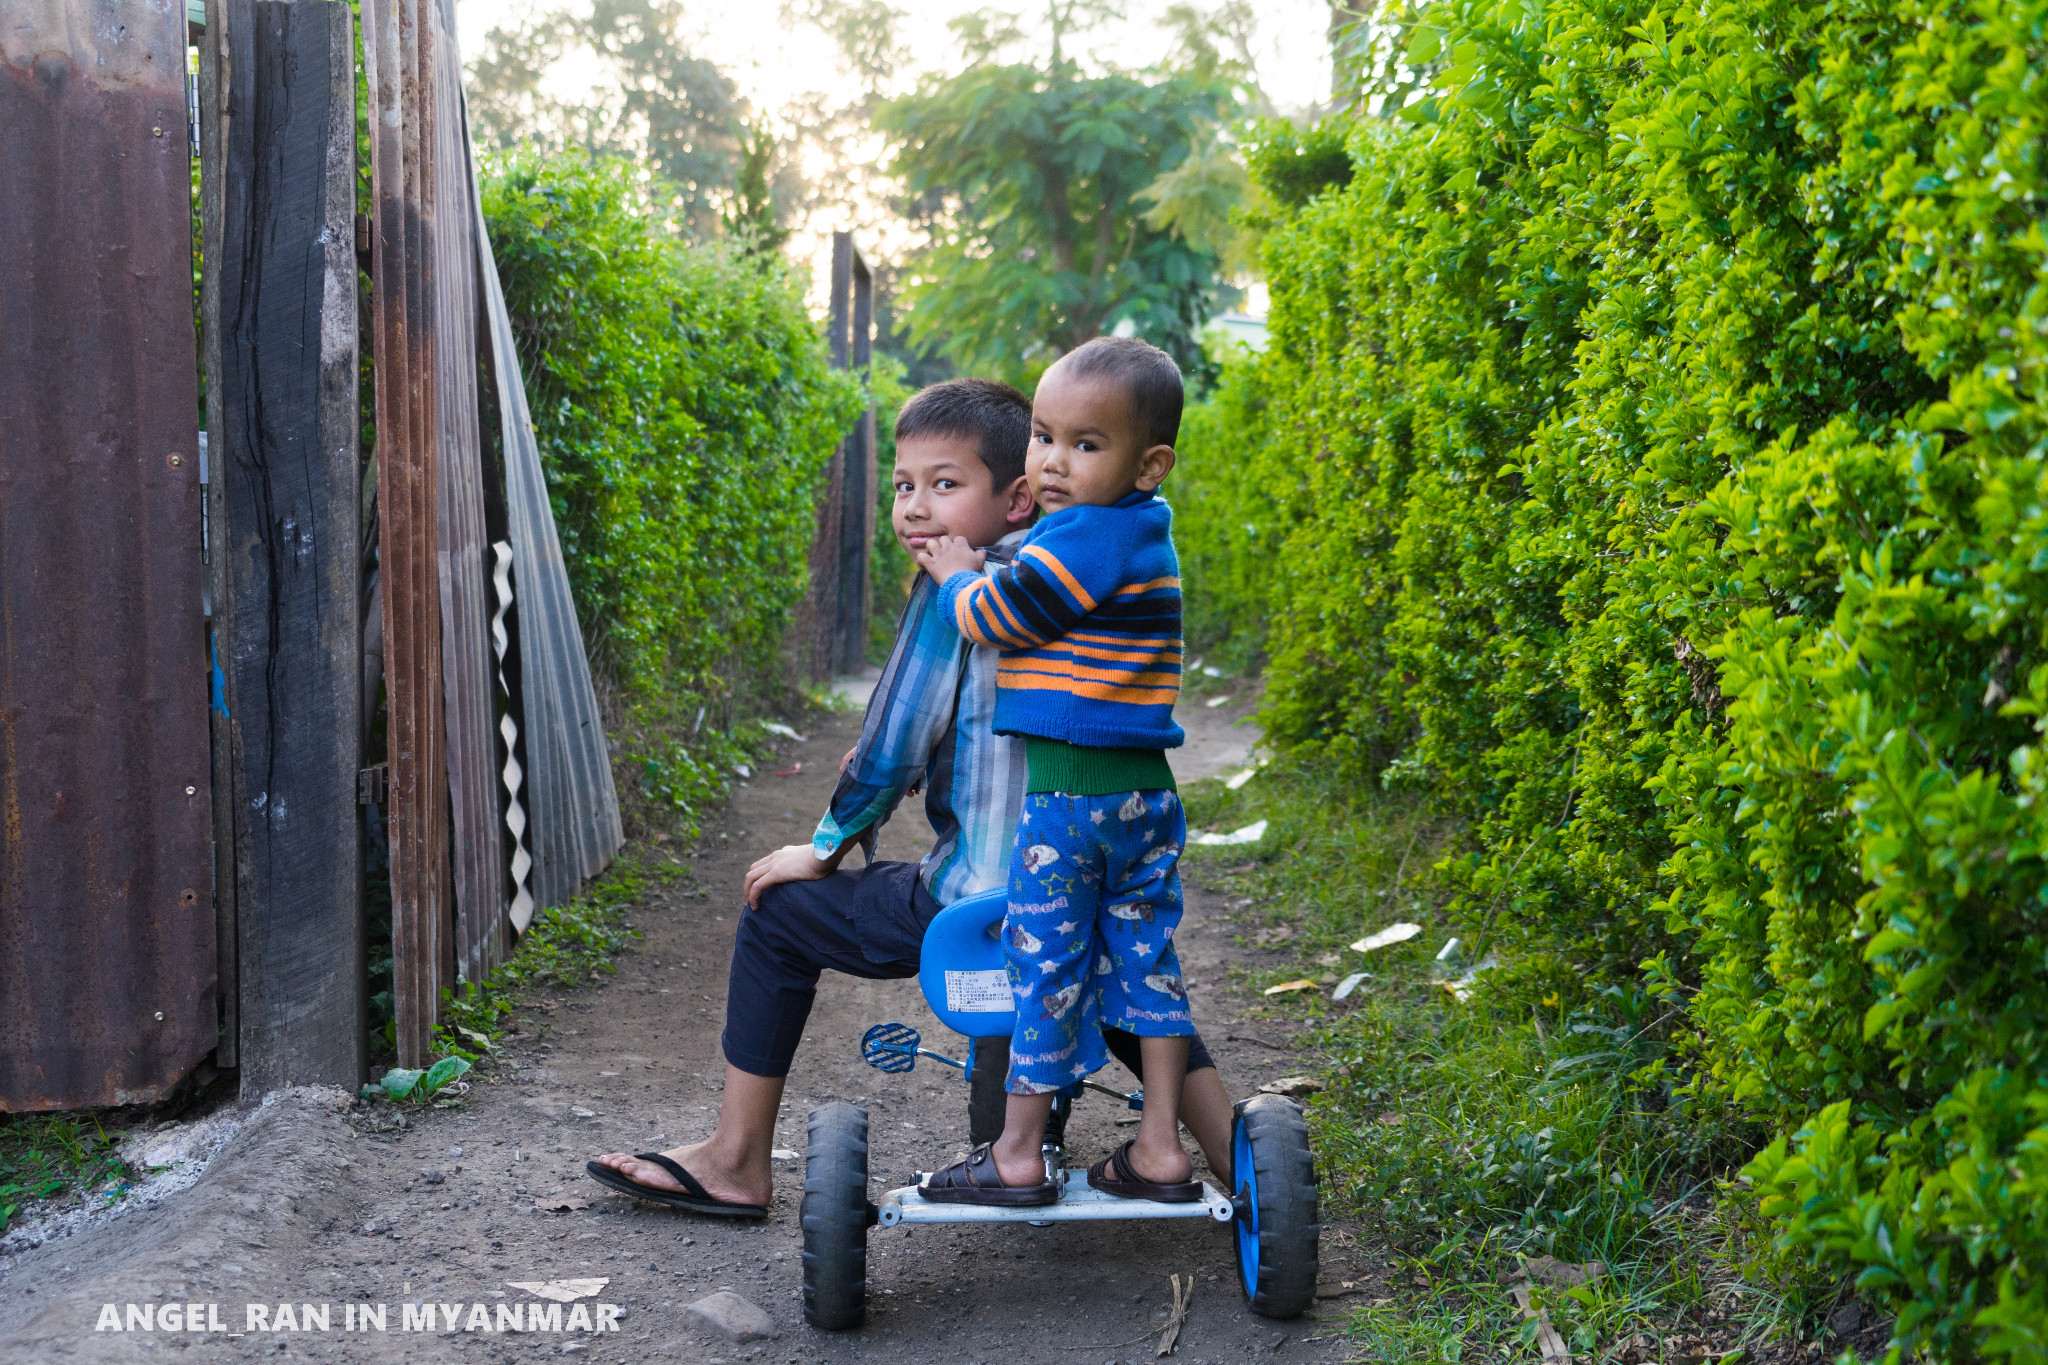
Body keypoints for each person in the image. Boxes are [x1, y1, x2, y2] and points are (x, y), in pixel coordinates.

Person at [586, 377, 1232, 1218]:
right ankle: (1237, 1162)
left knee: (778, 914)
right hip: (1101, 862)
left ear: (1018, 496)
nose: (917, 509)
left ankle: (735, 1159)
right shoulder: (1093, 571)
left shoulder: (956, 594)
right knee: (1124, 968)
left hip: (981, 896)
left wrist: (824, 845)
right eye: (903, 486)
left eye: (945, 483)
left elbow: (891, 748)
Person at [911, 338, 1200, 1209]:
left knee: (1046, 965)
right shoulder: (1143, 530)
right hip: (1146, 793)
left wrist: (963, 577)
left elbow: (1008, 615)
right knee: (1145, 960)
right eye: (1043, 437)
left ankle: (1015, 1150)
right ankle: (1157, 1144)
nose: (1052, 463)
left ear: (1149, 464)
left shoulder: (1085, 534)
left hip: (1070, 798)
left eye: (1085, 445)